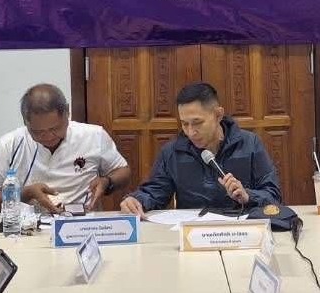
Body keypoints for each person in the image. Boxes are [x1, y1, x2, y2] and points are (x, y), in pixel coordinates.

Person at [120, 83, 282, 218]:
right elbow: (155, 193)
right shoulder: (172, 152)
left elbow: (273, 196)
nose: (191, 132)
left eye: (197, 123)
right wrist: (137, 201)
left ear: (218, 115)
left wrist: (247, 196)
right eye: (184, 124)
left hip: (241, 232)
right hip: (192, 234)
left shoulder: (249, 144)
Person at [0, 84, 131, 216]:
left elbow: (123, 171)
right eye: (38, 132)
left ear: (67, 112)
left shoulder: (93, 136)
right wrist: (24, 194)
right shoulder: (9, 145)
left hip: (81, 225)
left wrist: (107, 182)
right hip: (29, 229)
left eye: (55, 129)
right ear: (25, 122)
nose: (48, 137)